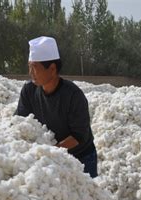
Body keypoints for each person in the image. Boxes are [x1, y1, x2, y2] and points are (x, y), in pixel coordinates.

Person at [15, 36, 98, 178]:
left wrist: (50, 152)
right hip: (49, 157)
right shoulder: (29, 91)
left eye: (34, 67)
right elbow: (20, 122)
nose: (30, 73)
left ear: (52, 69)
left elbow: (78, 136)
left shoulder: (73, 96)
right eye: (29, 66)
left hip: (81, 158)